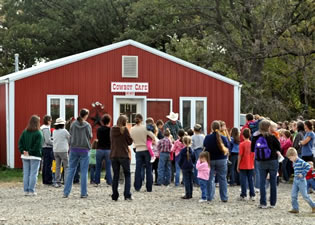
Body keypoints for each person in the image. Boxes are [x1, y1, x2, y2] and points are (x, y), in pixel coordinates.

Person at [251, 120, 281, 209]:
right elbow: (279, 148)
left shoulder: (256, 137)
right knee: (273, 182)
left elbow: (252, 149)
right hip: (272, 161)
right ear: (268, 127)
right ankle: (272, 203)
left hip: (261, 161)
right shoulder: (272, 137)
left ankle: (263, 203)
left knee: (262, 183)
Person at [63, 108, 92, 198]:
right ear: (86, 115)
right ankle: (83, 193)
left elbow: (70, 134)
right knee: (83, 172)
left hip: (74, 148)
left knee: (71, 170)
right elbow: (90, 136)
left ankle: (66, 192)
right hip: (84, 149)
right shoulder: (87, 125)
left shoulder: (73, 124)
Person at [203, 120, 229, 202]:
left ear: (211, 128)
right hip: (221, 159)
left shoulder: (207, 137)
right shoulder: (223, 138)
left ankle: (209, 197)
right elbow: (228, 148)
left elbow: (205, 147)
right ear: (220, 128)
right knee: (223, 179)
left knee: (210, 179)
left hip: (210, 159)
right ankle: (224, 197)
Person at [18, 115, 43, 196]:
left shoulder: (25, 132)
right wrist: (30, 152)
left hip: (24, 155)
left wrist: (23, 151)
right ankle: (31, 190)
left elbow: (20, 143)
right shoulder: (39, 133)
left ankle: (26, 190)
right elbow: (38, 145)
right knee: (33, 174)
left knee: (26, 173)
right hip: (35, 156)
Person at [110, 115, 133, 201]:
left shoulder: (112, 129)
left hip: (114, 154)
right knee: (127, 175)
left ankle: (115, 195)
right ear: (124, 122)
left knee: (115, 175)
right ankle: (127, 195)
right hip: (123, 154)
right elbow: (130, 142)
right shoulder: (125, 129)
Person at [130, 113, 156, 192]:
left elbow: (131, 139)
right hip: (146, 149)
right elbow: (153, 136)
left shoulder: (132, 129)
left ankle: (137, 186)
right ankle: (149, 188)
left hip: (138, 150)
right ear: (141, 120)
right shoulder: (145, 128)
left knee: (138, 168)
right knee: (148, 168)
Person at [286, 147, 315, 214]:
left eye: (290, 158)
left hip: (301, 180)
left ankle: (313, 205)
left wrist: (303, 174)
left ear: (294, 155)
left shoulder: (301, 161)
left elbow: (308, 166)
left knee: (305, 195)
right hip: (295, 180)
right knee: (293, 195)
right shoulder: (294, 162)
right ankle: (295, 208)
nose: (290, 160)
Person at [237, 128, 255, 201]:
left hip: (243, 164)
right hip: (251, 164)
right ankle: (252, 194)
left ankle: (243, 194)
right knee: (251, 180)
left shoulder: (242, 144)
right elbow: (254, 155)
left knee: (243, 180)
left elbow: (240, 155)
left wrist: (238, 165)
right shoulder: (252, 144)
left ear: (243, 135)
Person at [95, 114, 112, 186]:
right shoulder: (110, 129)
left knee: (98, 166)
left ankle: (97, 181)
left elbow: (98, 137)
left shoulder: (99, 129)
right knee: (108, 166)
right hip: (108, 149)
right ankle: (109, 181)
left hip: (99, 149)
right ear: (109, 121)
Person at [52, 118, 70, 188]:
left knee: (58, 167)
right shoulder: (64, 131)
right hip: (63, 150)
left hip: (56, 150)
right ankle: (66, 182)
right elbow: (69, 138)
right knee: (66, 166)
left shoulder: (54, 131)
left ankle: (57, 182)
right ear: (63, 124)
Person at [41, 115, 54, 185]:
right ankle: (48, 180)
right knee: (48, 165)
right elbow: (47, 141)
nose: (51, 122)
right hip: (47, 148)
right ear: (47, 121)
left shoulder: (42, 128)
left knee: (45, 164)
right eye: (50, 120)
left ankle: (45, 180)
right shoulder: (45, 129)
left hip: (44, 148)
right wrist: (54, 143)